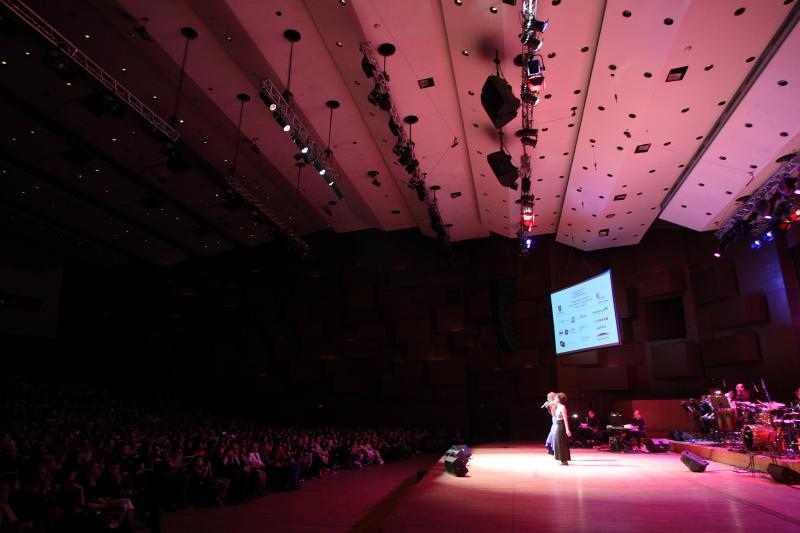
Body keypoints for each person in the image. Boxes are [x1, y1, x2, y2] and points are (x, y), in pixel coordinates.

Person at [553, 393, 571, 465]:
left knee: (562, 442)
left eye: (556, 398)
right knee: (557, 441)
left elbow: (565, 419)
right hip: (558, 425)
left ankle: (564, 460)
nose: (554, 399)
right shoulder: (557, 407)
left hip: (562, 426)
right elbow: (556, 417)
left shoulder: (563, 407)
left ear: (559, 399)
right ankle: (561, 459)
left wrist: (567, 429)